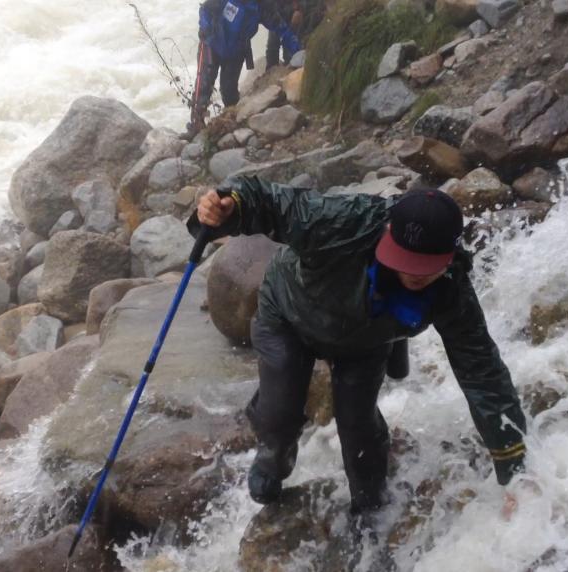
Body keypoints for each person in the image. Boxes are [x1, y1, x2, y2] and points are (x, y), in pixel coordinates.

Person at [188, 176, 528, 515]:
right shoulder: (343, 222)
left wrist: (513, 471)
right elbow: (272, 201)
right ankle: (271, 460)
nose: (414, 274)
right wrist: (228, 206)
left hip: (366, 341)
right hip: (288, 316)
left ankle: (370, 508)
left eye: (425, 267)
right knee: (280, 412)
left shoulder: (453, 289)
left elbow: (483, 374)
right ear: (389, 231)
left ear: (449, 255)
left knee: (358, 426)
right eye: (404, 259)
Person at [186, 0, 302, 138]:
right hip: (211, 45)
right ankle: (196, 127)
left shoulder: (261, 6)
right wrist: (205, 29)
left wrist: (298, 52)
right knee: (203, 88)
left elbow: (281, 28)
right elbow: (205, 10)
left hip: (236, 52)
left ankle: (230, 124)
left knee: (229, 91)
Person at [265, 0, 303, 68]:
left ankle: (291, 65)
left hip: (292, 11)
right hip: (276, 10)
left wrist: (299, 10)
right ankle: (271, 68)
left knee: (289, 48)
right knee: (272, 44)